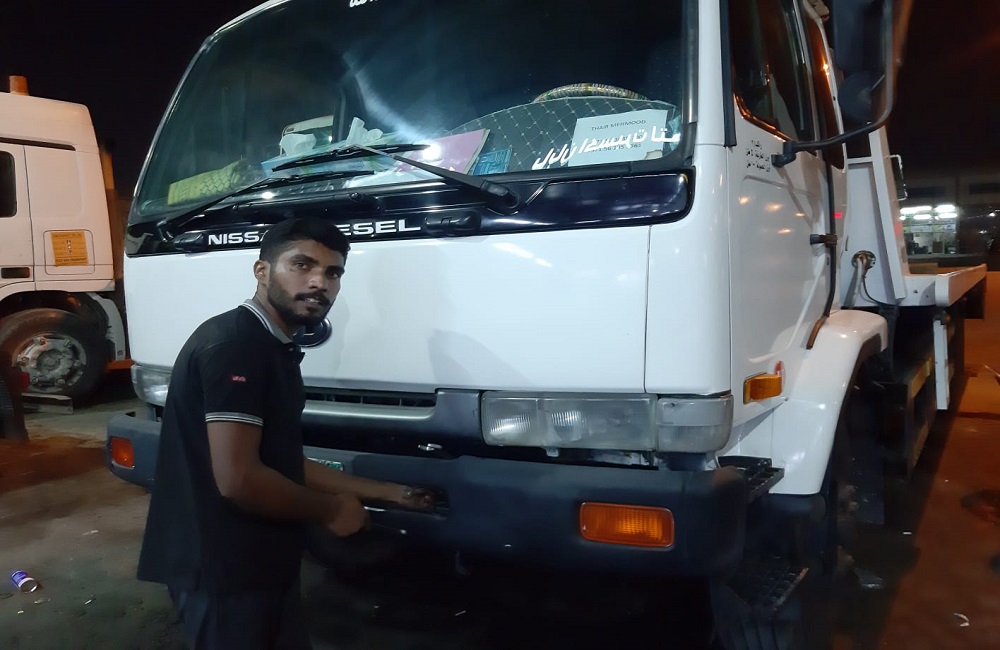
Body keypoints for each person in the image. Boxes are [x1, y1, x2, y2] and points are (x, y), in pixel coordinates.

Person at [137, 216, 431, 649]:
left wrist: (390, 493)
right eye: (301, 265)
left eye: (333, 273)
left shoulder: (271, 344)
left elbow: (281, 462)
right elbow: (239, 479)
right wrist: (331, 510)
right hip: (222, 567)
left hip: (259, 560)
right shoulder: (237, 345)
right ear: (262, 271)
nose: (319, 283)